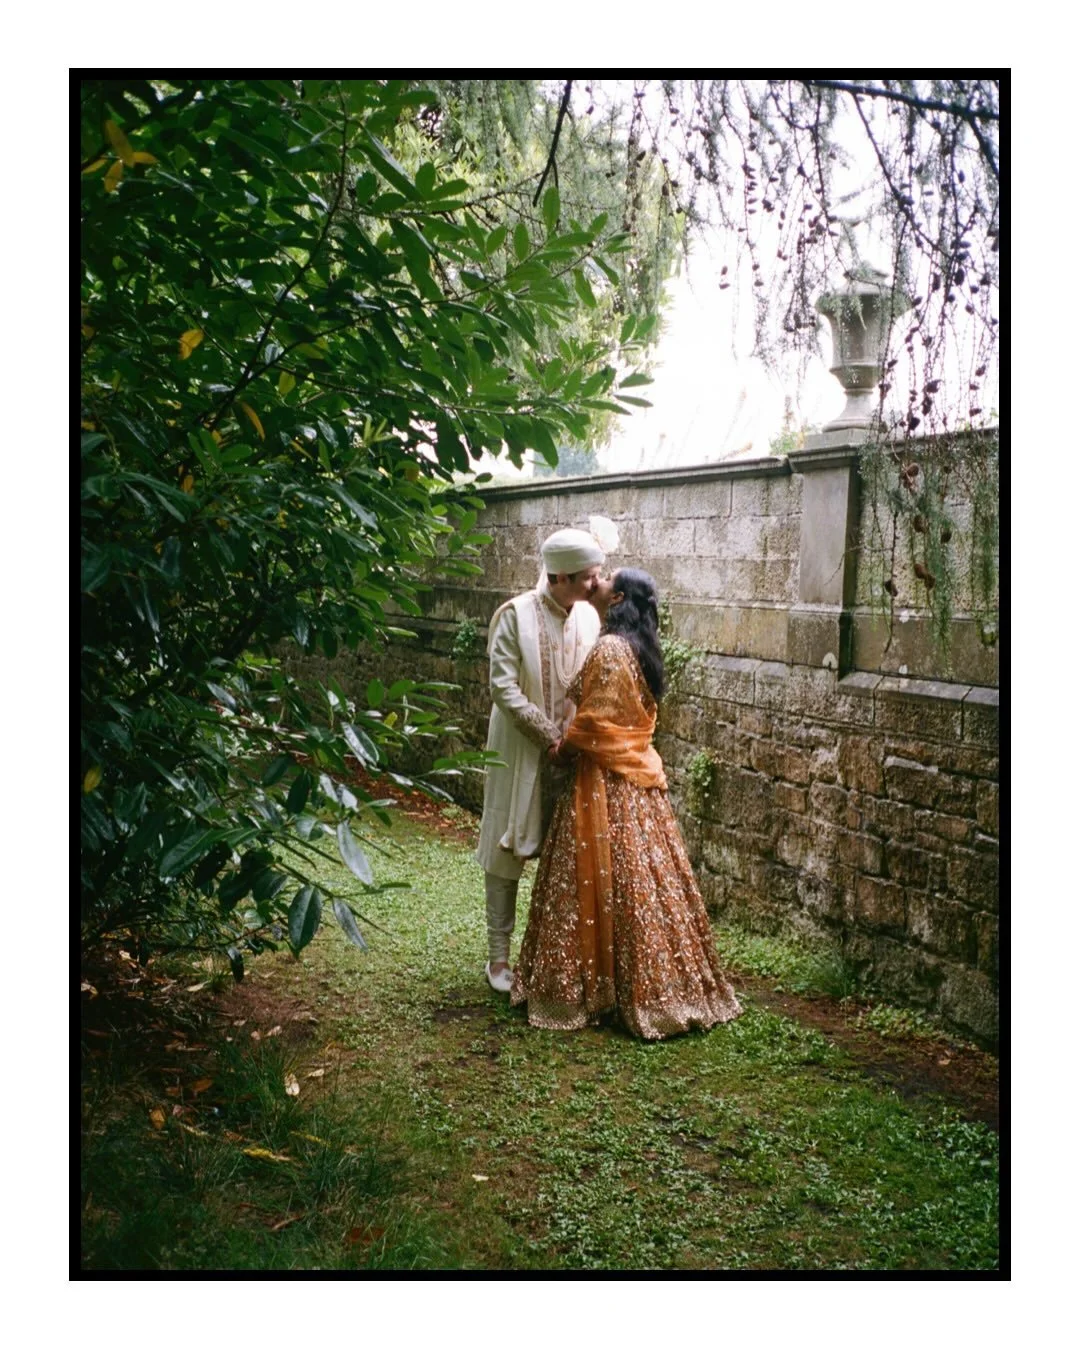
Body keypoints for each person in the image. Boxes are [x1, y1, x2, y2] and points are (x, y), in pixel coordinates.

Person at [510, 569, 743, 1039]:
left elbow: (596, 721)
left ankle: (604, 991)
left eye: (604, 579)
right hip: (637, 778)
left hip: (605, 782)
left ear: (615, 597)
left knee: (611, 880)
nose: (593, 580)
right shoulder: (637, 650)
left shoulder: (611, 649)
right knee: (643, 881)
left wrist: (563, 749)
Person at [475, 519, 619, 994]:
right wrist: (546, 736)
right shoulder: (513, 615)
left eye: (596, 576)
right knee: (506, 847)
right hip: (520, 747)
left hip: (570, 752)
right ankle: (498, 958)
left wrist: (575, 738)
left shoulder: (588, 617)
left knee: (568, 852)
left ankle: (557, 956)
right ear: (558, 577)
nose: (595, 584)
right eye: (587, 578)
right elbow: (502, 687)